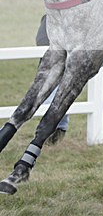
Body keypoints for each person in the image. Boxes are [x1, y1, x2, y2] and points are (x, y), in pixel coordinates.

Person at [36, 15, 69, 144]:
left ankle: (57, 130)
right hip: (52, 62)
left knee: (59, 96)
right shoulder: (49, 17)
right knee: (54, 97)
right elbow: (42, 40)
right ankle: (54, 131)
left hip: (61, 63)